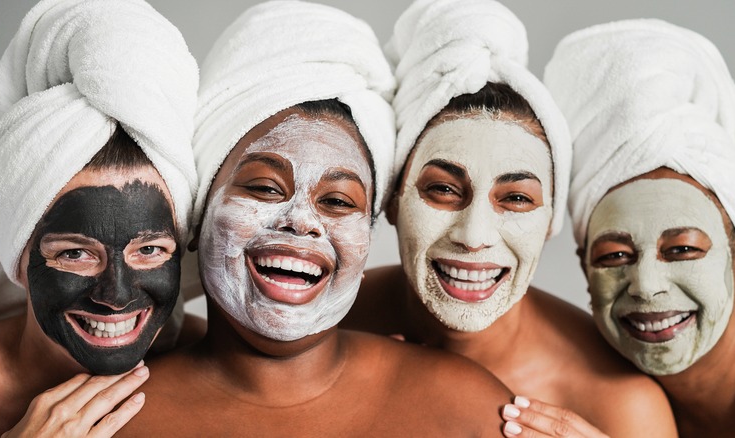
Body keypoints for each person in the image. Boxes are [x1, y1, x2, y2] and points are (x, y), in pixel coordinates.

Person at [119, 2, 512, 436]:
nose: (301, 221)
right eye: (265, 189)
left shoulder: (465, 406)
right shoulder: (113, 420)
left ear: (366, 242)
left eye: (339, 202)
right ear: (195, 220)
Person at [341, 1, 677, 436]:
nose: (474, 236)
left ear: (551, 220)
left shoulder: (618, 402)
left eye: (516, 197)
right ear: (392, 200)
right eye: (443, 190)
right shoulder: (325, 325)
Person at [0, 0, 199, 434]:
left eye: (151, 249)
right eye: (76, 254)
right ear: (19, 258)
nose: (116, 296)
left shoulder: (205, 361)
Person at [543, 19, 735, 437]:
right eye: (614, 256)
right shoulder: (570, 363)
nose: (645, 285)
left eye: (681, 249)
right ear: (585, 269)